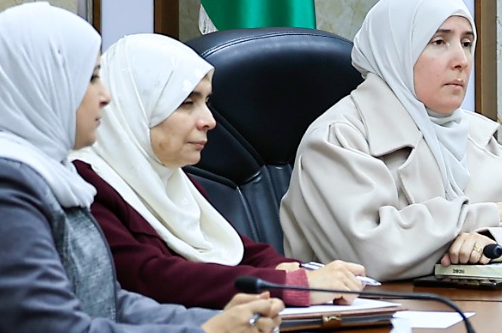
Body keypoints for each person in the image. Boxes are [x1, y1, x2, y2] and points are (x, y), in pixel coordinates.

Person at [0, 4, 283, 333]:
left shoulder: (44, 175)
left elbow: (106, 302)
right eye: (90, 78)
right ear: (39, 86)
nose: (105, 96)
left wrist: (212, 323)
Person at [282, 0, 502, 280]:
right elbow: (374, 253)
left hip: (465, 306)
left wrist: (492, 240)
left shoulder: (477, 137)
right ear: (396, 50)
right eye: (439, 42)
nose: (461, 61)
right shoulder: (338, 137)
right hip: (364, 309)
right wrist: (485, 216)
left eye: (467, 43)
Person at [73, 33, 368, 308]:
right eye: (187, 103)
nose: (209, 121)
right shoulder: (87, 184)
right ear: (135, 106)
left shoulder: (176, 180)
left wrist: (285, 269)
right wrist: (290, 285)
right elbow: (148, 278)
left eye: (207, 101)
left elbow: (238, 249)